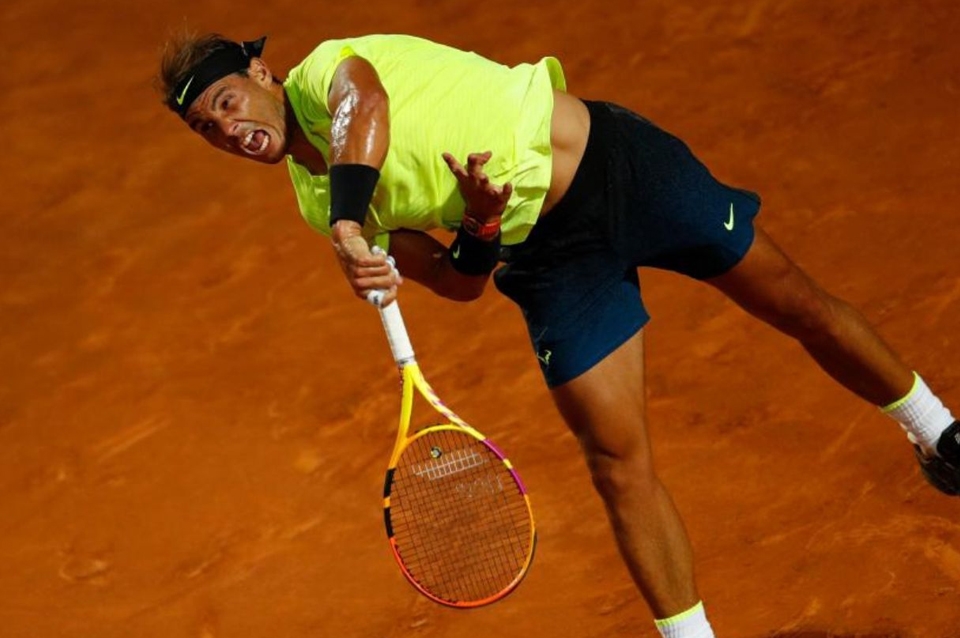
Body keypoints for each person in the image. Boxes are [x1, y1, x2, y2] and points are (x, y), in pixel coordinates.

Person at [157, 31, 959, 638]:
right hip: (548, 257)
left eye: (225, 103)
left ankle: (938, 431)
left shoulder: (333, 68)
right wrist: (478, 222)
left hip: (620, 169)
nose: (225, 129)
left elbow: (360, 110)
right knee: (615, 459)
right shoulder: (316, 203)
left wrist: (346, 223)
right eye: (204, 129)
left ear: (262, 74)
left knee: (794, 303)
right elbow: (460, 282)